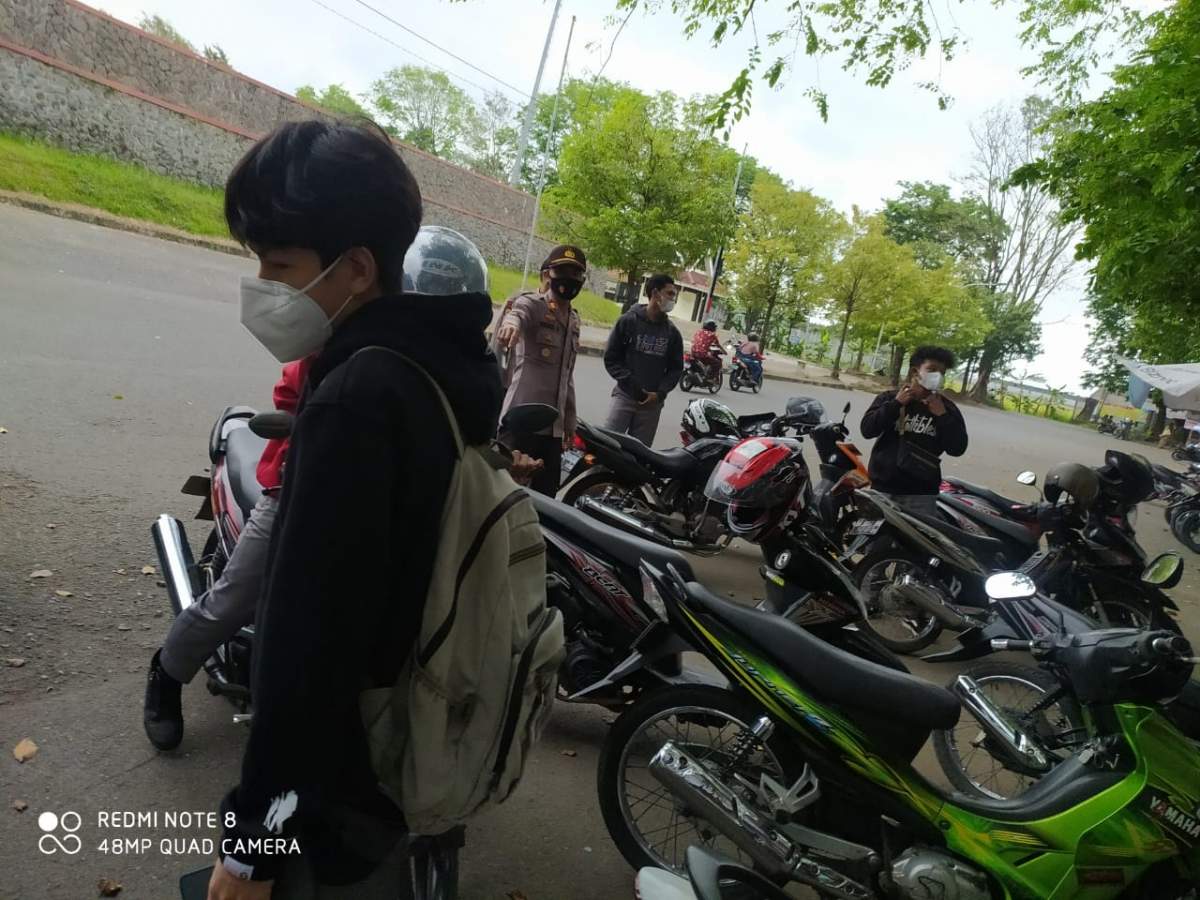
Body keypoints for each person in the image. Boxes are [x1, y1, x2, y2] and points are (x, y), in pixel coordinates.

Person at [205, 120, 505, 900]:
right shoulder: (440, 366)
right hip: (411, 729)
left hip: (340, 785)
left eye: (279, 265)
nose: (262, 284)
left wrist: (250, 850)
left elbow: (307, 653)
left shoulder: (357, 400)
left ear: (358, 269)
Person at [142, 356, 310, 752]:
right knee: (232, 599)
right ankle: (166, 674)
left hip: (379, 499)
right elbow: (288, 391)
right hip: (299, 484)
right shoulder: (342, 334)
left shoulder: (447, 346)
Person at [493, 245, 586, 495]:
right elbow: (518, 313)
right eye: (561, 271)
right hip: (520, 422)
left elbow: (567, 377)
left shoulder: (574, 321)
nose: (569, 279)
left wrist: (569, 422)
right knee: (502, 492)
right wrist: (510, 325)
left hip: (552, 430)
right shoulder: (534, 305)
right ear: (547, 275)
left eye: (576, 274)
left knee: (546, 498)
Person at [860, 345, 968, 516]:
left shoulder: (947, 408)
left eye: (942, 372)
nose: (937, 376)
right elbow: (867, 430)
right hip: (883, 489)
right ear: (914, 371)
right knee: (875, 541)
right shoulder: (888, 398)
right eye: (932, 369)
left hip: (921, 495)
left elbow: (958, 448)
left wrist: (942, 416)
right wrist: (896, 405)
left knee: (914, 541)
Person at [603, 273, 685, 447]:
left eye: (674, 295)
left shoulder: (673, 333)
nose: (673, 299)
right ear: (655, 293)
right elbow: (611, 358)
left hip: (651, 407)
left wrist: (660, 393)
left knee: (639, 457)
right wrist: (631, 384)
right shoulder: (628, 322)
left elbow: (676, 369)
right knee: (607, 446)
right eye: (670, 294)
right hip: (624, 397)